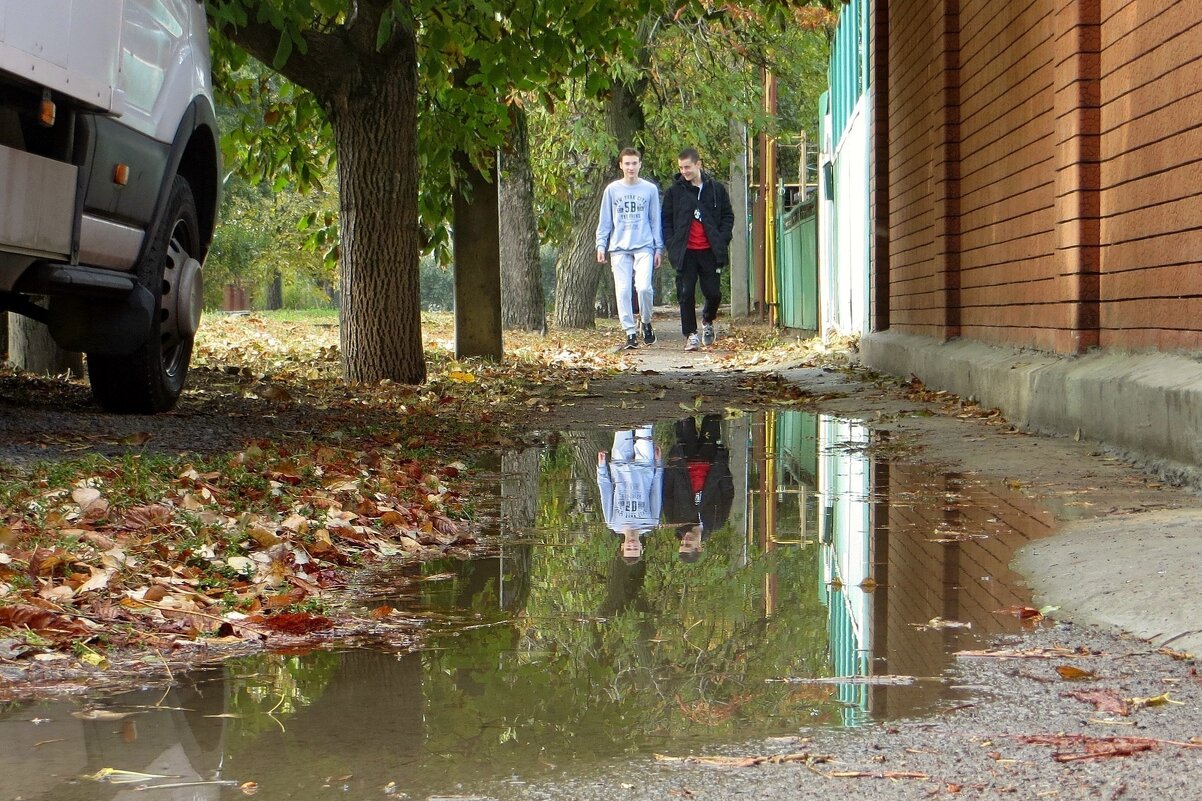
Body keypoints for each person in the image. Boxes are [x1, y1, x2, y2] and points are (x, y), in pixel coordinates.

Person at [662, 147, 735, 351]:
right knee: (685, 293)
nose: (684, 171)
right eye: (681, 168)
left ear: (698, 165)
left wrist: (722, 239)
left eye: (687, 167)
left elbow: (728, 216)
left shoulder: (716, 190)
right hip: (686, 252)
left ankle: (707, 320)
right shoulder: (674, 192)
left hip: (710, 251)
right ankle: (691, 335)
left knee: (713, 293)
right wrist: (672, 243)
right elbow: (666, 220)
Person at [596, 147, 663, 350]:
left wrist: (658, 248)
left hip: (644, 245)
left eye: (634, 163)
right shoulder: (612, 190)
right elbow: (605, 220)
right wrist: (601, 244)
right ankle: (630, 332)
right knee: (623, 290)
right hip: (619, 246)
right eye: (627, 163)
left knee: (643, 288)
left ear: (640, 164)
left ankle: (646, 321)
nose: (631, 167)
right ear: (621, 165)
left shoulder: (649, 189)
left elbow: (655, 220)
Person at [662, 414, 733, 562]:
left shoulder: (675, 521)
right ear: (699, 547)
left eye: (682, 543)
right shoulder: (716, 523)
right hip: (710, 462)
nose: (685, 539)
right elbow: (727, 494)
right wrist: (723, 468)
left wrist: (671, 466)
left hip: (684, 463)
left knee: (685, 419)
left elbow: (667, 492)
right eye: (688, 544)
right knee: (712, 419)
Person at [597, 425, 663, 560]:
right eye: (635, 548)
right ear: (641, 547)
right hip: (645, 469)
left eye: (628, 548)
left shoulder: (612, 523)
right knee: (644, 427)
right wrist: (659, 465)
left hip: (620, 467)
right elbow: (656, 491)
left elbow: (606, 492)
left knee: (623, 425)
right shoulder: (651, 523)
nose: (632, 545)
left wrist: (602, 468)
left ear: (622, 546)